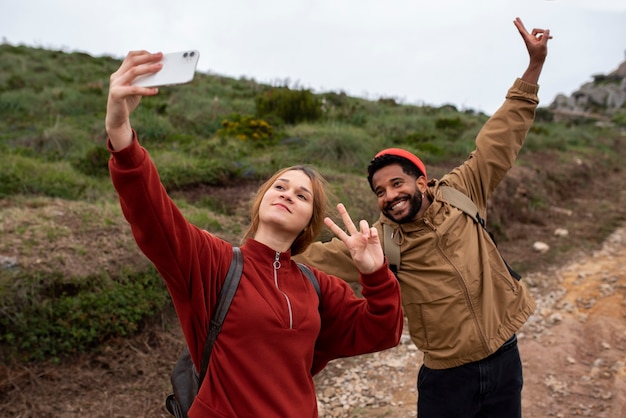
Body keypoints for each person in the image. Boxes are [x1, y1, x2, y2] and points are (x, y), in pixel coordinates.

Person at [105, 51, 403, 417]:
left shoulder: (318, 287)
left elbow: (382, 331)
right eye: (280, 186)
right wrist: (120, 134)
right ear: (262, 199)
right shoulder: (214, 263)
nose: (287, 194)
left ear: (310, 221)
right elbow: (154, 216)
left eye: (302, 195)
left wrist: (375, 274)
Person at [294, 17, 551, 417]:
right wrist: (245, 252)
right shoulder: (379, 242)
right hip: (446, 378)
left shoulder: (463, 191)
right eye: (380, 191)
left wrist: (533, 68)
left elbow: (501, 135)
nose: (390, 196)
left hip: (505, 359)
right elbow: (310, 257)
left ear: (422, 181)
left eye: (397, 184)